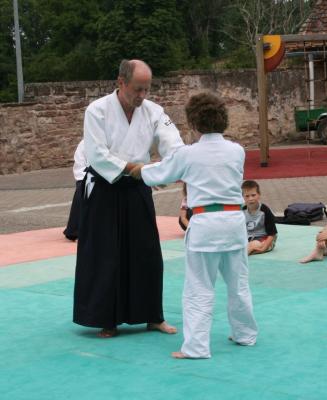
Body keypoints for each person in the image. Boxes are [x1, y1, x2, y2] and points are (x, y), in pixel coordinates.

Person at [130, 92, 258, 359]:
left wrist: (134, 169)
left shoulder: (187, 154)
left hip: (205, 225)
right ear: (222, 120)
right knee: (238, 284)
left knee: (199, 287)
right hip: (234, 223)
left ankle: (197, 347)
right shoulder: (237, 151)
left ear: (193, 123)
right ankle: (245, 335)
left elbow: (159, 174)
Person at [73, 59, 184, 338]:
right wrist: (139, 169)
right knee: (106, 255)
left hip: (137, 187)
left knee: (147, 252)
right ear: (120, 83)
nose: (142, 95)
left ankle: (152, 316)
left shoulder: (154, 111)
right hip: (105, 188)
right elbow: (97, 155)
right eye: (137, 89)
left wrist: (180, 165)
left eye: (146, 89)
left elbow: (173, 144)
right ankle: (106, 319)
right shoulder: (96, 111)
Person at [241, 180, 278, 255]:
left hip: (264, 239)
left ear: (259, 194)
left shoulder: (265, 211)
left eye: (253, 195)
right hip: (248, 238)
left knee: (252, 246)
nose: (250, 199)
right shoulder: (242, 211)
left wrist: (264, 248)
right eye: (247, 196)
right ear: (243, 197)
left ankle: (242, 255)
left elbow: (272, 234)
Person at [63, 140, 87, 241]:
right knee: (81, 191)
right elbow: (80, 168)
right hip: (85, 177)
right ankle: (74, 230)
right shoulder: (84, 144)